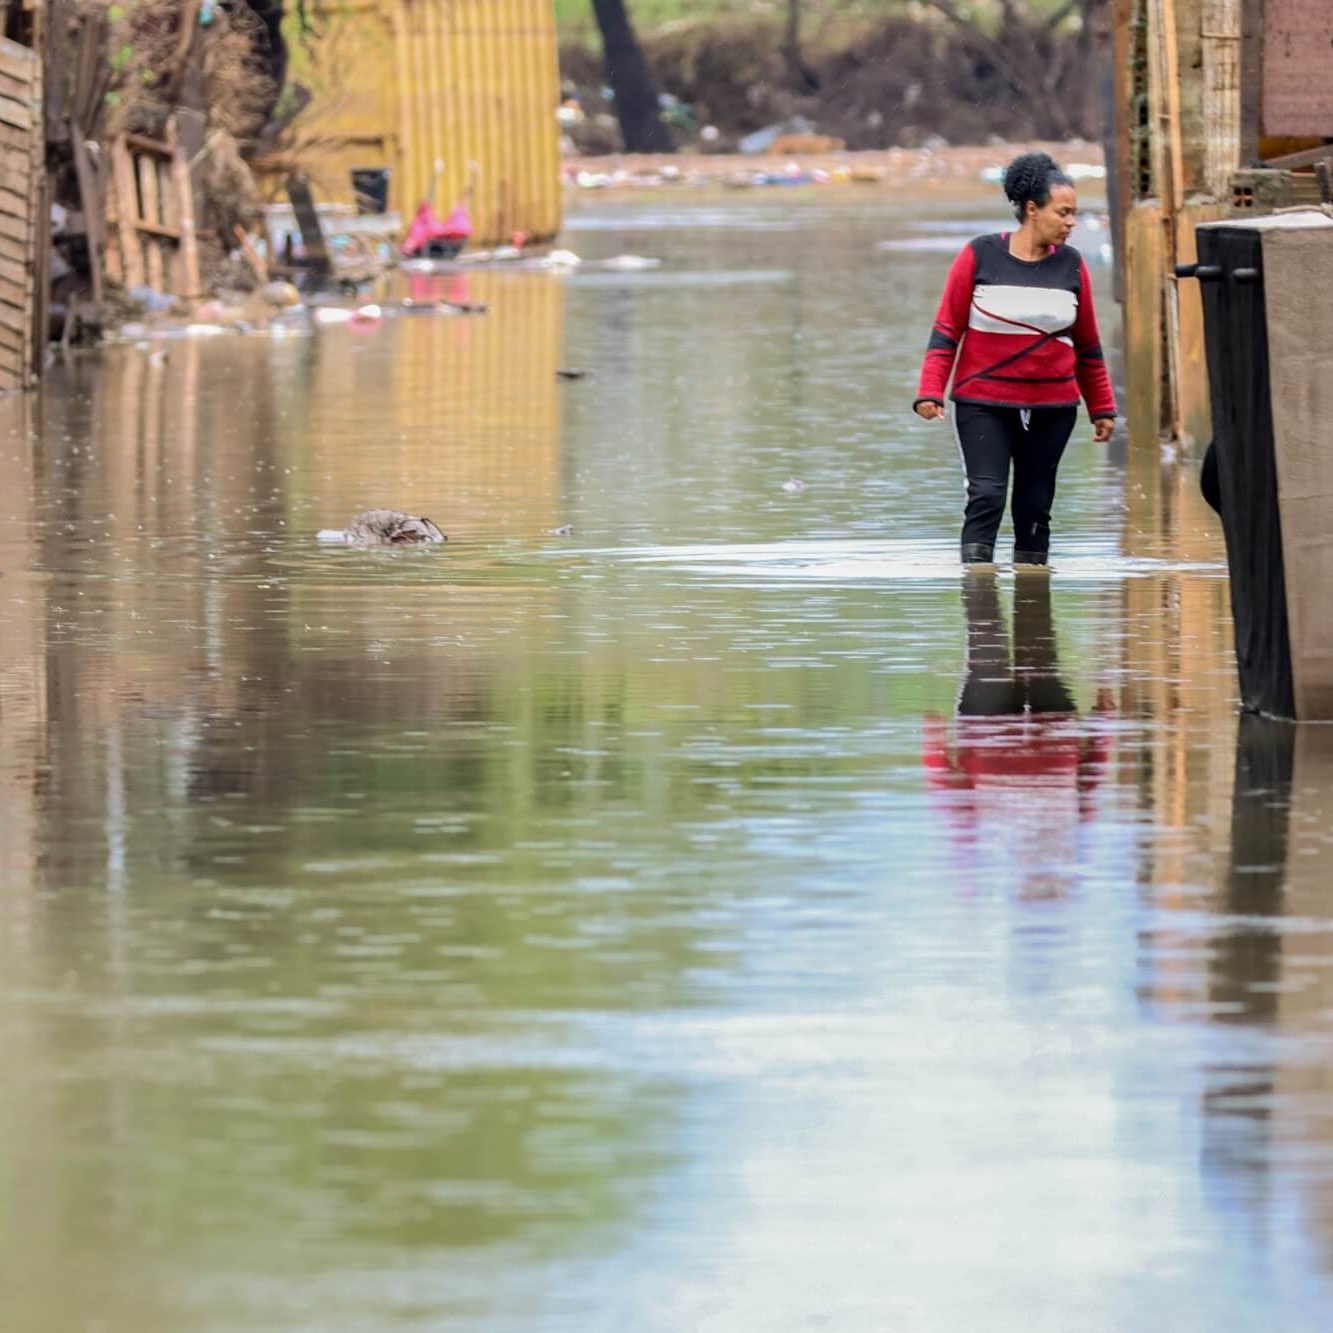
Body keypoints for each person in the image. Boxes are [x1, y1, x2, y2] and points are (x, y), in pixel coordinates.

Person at [913, 152, 1118, 566]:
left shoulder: (1073, 266)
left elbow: (1087, 346)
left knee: (1035, 507)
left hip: (1053, 407)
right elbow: (947, 330)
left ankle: (1033, 615)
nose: (1072, 222)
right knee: (986, 496)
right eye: (1063, 212)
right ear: (1032, 209)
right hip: (982, 402)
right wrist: (929, 391)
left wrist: (1102, 408)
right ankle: (981, 611)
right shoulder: (980, 255)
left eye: (1074, 213)